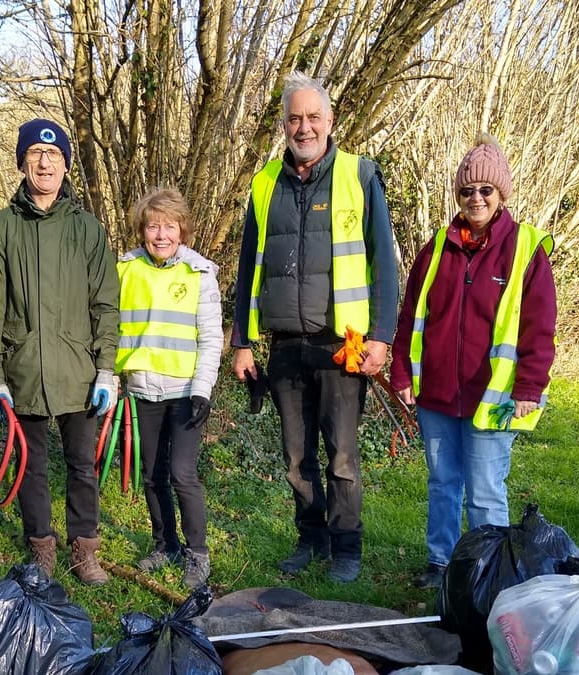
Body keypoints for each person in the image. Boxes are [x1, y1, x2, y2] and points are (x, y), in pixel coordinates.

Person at [230, 71, 400, 583]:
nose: (303, 127)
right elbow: (246, 268)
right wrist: (242, 341)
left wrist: (382, 336)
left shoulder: (360, 175)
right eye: (294, 117)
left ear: (330, 121)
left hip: (342, 345)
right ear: (283, 124)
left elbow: (385, 265)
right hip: (284, 344)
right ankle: (311, 538)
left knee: (343, 457)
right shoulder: (264, 184)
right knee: (295, 458)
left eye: (312, 116)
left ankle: (346, 546)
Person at [389, 133, 557, 589]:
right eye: (467, 191)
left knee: (484, 493)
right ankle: (440, 565)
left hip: (493, 397)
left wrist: (529, 387)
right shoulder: (436, 248)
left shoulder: (526, 249)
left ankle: (488, 573)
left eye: (485, 190)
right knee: (443, 485)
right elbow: (411, 316)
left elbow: (540, 328)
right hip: (437, 395)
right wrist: (401, 372)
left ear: (501, 194)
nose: (476, 198)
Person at [0, 118, 119, 585]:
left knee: (82, 465)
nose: (44, 162)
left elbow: (105, 303)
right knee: (30, 465)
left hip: (79, 373)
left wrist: (106, 370)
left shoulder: (87, 228)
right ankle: (41, 548)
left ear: (65, 165)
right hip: (23, 373)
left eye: (53, 155)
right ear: (22, 162)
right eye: (35, 153)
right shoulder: (2, 228)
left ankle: (84, 550)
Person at [116, 187, 223, 589]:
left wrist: (202, 390)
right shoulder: (125, 270)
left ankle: (198, 554)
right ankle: (166, 545)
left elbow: (212, 338)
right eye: (153, 226)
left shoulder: (199, 274)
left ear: (183, 230)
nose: (161, 235)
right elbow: (112, 329)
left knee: (182, 474)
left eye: (169, 226)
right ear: (142, 230)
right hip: (143, 390)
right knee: (152, 474)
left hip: (185, 393)